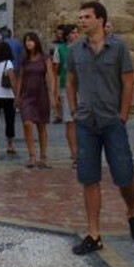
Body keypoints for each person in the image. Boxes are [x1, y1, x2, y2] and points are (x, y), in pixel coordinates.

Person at [66, 1, 134, 255]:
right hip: (86, 122)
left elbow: (129, 82)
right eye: (80, 17)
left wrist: (123, 115)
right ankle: (94, 233)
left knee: (125, 175)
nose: (82, 21)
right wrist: (75, 109)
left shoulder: (118, 48)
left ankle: (131, 211)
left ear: (100, 19)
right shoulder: (75, 49)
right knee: (89, 178)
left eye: (86, 17)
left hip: (112, 121)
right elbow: (70, 81)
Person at [16, 31, 56, 168]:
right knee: (27, 123)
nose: (28, 43)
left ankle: (43, 156)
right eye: (26, 40)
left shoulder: (45, 58)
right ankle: (32, 155)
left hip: (41, 94)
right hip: (27, 95)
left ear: (36, 42)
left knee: (41, 125)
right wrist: (17, 96)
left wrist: (52, 95)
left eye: (31, 40)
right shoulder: (24, 60)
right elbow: (20, 78)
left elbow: (50, 77)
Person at [52, 23, 80, 168]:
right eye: (73, 32)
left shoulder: (83, 48)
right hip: (65, 88)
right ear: (67, 35)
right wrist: (55, 91)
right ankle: (75, 154)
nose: (76, 35)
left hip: (82, 87)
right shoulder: (60, 50)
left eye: (77, 32)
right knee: (70, 121)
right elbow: (56, 72)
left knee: (82, 122)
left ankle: (83, 152)